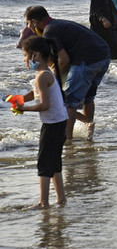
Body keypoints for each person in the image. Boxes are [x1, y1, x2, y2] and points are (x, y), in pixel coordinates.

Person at [25, 5, 111, 141]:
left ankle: (67, 140)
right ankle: (89, 131)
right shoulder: (58, 25)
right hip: (104, 55)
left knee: (69, 101)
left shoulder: (49, 31)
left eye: (28, 24)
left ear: (34, 22)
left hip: (87, 59)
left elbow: (63, 60)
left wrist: (52, 80)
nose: (29, 27)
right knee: (88, 96)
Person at [15, 36, 69, 209]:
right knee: (54, 162)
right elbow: (35, 93)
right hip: (59, 123)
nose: (25, 60)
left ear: (35, 55)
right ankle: (61, 198)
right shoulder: (46, 73)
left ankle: (43, 202)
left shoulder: (42, 77)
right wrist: (19, 99)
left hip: (52, 125)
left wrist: (24, 109)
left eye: (25, 55)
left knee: (44, 163)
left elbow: (45, 105)